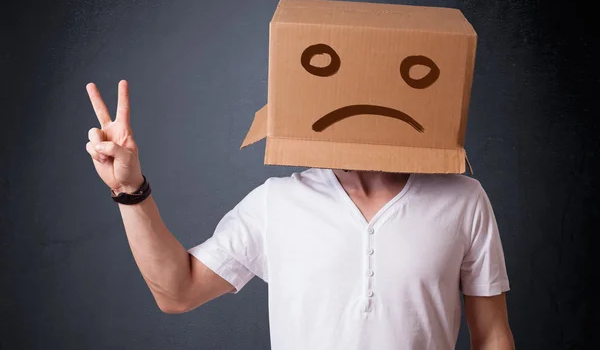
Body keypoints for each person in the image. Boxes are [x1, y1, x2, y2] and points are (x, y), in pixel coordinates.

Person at [86, 80, 515, 350]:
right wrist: (129, 190)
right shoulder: (278, 201)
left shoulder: (464, 199)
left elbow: (492, 335)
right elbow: (177, 293)